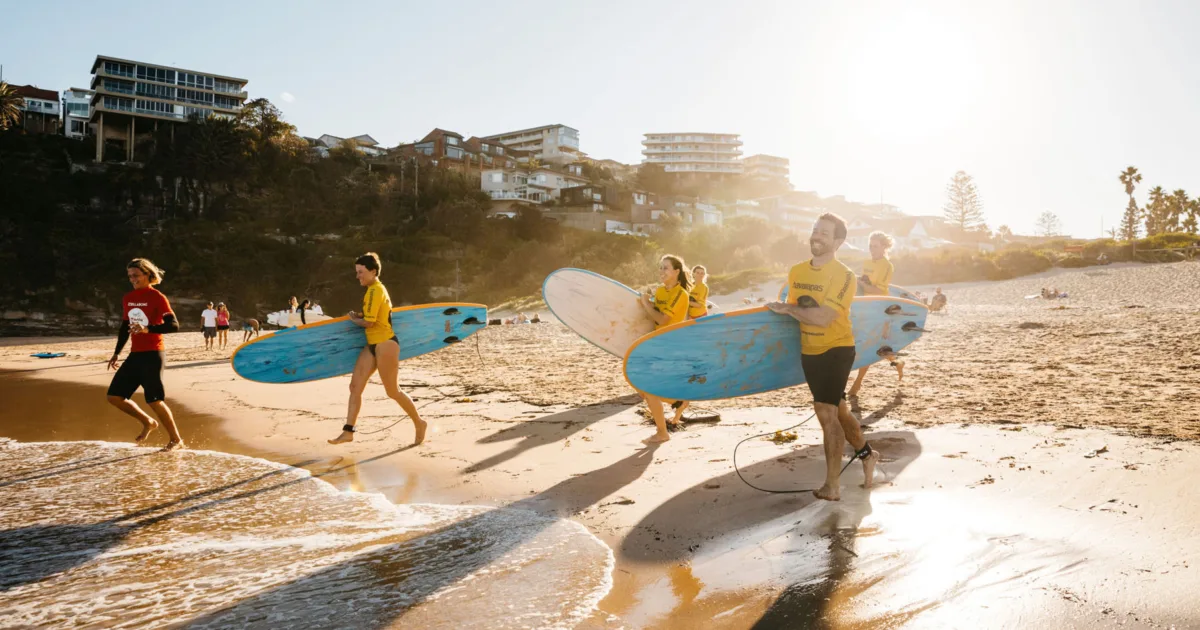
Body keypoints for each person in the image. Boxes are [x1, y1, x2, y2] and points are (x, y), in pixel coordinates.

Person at [766, 213, 880, 501]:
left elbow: (824, 317)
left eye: (824, 233)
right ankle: (867, 455)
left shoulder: (844, 276)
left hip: (836, 348)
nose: (816, 236)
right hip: (810, 350)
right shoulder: (796, 271)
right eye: (815, 230)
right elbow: (795, 309)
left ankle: (832, 486)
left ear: (838, 241)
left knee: (826, 412)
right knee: (840, 410)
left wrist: (788, 309)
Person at [328, 253, 427, 446]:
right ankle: (348, 432)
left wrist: (353, 319)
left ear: (373, 271)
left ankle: (419, 422)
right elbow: (373, 317)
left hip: (385, 344)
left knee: (392, 391)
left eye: (361, 272)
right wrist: (359, 316)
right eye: (356, 272)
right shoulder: (372, 290)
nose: (358, 276)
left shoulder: (375, 290)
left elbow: (369, 322)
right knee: (355, 387)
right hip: (372, 344)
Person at [106, 258, 186, 451]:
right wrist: (117, 352)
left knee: (154, 399)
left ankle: (176, 440)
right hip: (136, 354)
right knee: (114, 396)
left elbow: (174, 326)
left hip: (153, 354)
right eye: (130, 276)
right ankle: (148, 422)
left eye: (136, 275)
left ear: (148, 274)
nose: (133, 279)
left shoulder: (157, 297)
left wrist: (148, 329)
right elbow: (125, 327)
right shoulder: (128, 298)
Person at [635, 254, 692, 443]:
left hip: (672, 345)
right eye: (660, 267)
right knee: (641, 387)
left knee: (648, 388)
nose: (661, 271)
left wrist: (645, 303)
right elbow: (653, 316)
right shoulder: (660, 291)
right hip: (657, 344)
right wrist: (647, 302)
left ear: (677, 272)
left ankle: (662, 432)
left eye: (665, 268)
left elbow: (663, 320)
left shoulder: (680, 294)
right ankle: (677, 402)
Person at [849, 232, 903, 396]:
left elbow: (879, 289)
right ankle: (898, 362)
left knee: (869, 344)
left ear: (884, 247)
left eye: (875, 246)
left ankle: (857, 383)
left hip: (879, 307)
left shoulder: (887, 266)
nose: (872, 249)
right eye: (870, 246)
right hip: (863, 306)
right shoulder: (866, 262)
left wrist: (861, 284)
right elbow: (865, 282)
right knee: (872, 344)